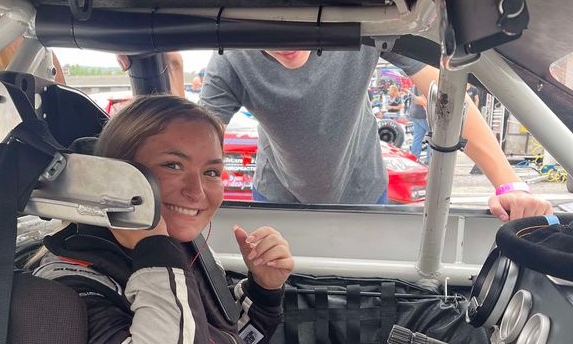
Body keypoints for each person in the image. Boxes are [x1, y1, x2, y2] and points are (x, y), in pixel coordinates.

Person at [33, 95, 487, 344]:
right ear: (120, 177)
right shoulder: (75, 283)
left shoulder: (170, 250)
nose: (198, 191)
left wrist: (264, 292)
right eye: (173, 165)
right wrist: (156, 256)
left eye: (212, 172)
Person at [178, 49, 551, 220]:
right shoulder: (230, 60)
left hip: (363, 187)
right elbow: (190, 144)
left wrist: (508, 185)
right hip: (278, 196)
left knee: (365, 295)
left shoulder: (364, 27)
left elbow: (449, 99)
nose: (285, 30)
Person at [409, 85, 429, 164]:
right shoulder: (421, 84)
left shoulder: (415, 84)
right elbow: (422, 100)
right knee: (432, 137)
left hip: (415, 113)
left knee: (417, 138)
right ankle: (429, 160)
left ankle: (414, 158)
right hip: (422, 114)